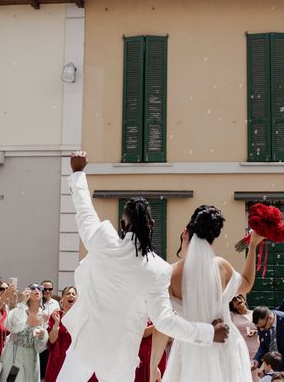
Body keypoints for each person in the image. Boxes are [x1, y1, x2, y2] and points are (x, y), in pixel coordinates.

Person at [57, 151, 229, 382]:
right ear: (153, 224)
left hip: (85, 344)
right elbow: (165, 321)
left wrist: (78, 173)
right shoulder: (157, 269)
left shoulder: (102, 242)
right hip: (120, 356)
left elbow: (84, 210)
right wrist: (209, 333)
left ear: (122, 223)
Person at [151, 205, 264, 381]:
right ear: (212, 239)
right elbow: (247, 284)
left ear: (185, 232)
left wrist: (153, 366)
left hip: (190, 349)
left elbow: (162, 327)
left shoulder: (171, 274)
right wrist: (253, 245)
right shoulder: (221, 266)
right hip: (226, 348)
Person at [44, 287, 96, 382]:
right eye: (68, 293)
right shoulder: (56, 315)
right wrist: (56, 324)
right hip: (58, 358)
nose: (71, 295)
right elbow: (51, 341)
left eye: (73, 294)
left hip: (76, 358)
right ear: (62, 299)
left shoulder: (83, 317)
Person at [0, 283, 48, 382]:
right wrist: (22, 303)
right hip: (14, 355)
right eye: (33, 288)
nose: (37, 290)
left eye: (39, 288)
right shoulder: (20, 310)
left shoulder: (45, 316)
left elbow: (41, 346)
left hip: (32, 358)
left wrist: (42, 336)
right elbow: (12, 327)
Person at [230, 294, 260, 382]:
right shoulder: (232, 315)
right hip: (239, 350)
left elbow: (264, 328)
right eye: (234, 299)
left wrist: (257, 332)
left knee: (256, 376)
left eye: (239, 297)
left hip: (255, 350)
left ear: (244, 299)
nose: (237, 299)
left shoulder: (255, 313)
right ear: (232, 305)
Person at [39, 280, 60, 380]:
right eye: (45, 289)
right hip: (37, 336)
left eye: (50, 289)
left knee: (46, 364)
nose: (47, 291)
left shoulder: (55, 303)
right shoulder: (36, 301)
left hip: (50, 337)